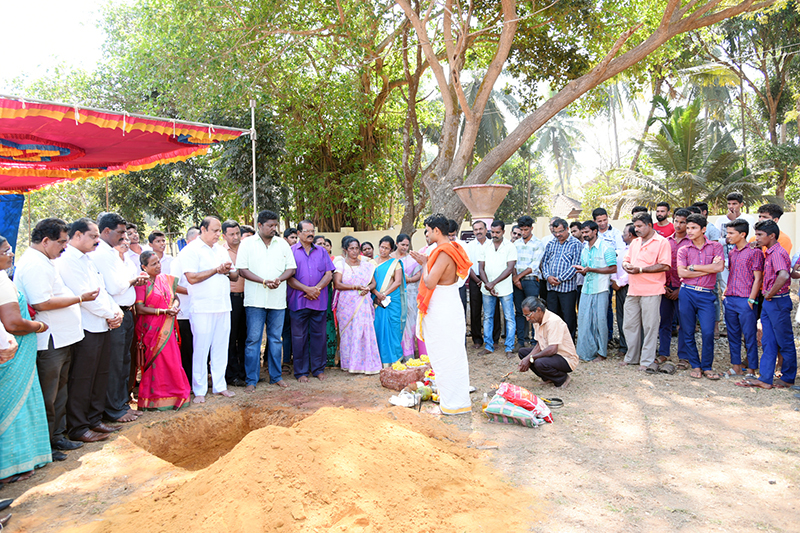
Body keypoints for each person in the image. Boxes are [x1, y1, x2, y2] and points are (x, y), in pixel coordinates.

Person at [14, 219, 94, 460]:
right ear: (46, 241)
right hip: (48, 339)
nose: (64, 247)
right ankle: (46, 444)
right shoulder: (34, 264)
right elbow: (41, 303)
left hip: (60, 338)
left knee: (59, 391)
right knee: (48, 394)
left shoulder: (45, 261)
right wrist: (78, 299)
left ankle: (58, 436)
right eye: (61, 242)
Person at [57, 218, 124, 443]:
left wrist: (116, 312)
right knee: (82, 378)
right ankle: (78, 426)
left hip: (103, 324)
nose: (97, 240)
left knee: (100, 375)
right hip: (85, 327)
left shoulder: (88, 260)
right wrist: (110, 314)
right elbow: (85, 298)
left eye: (97, 236)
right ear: (77, 235)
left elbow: (102, 291)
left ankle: (95, 419)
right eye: (93, 236)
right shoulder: (67, 261)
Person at [0, 235, 53, 482]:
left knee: (23, 402)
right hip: (13, 353)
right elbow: (12, 322)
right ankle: (14, 464)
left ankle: (24, 460)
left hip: (20, 352)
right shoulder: (1, 281)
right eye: (6, 251)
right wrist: (39, 325)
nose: (11, 254)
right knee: (14, 406)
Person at [411, 213, 472, 415]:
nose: (426, 235)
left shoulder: (444, 252)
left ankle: (453, 404)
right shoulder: (453, 248)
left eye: (427, 231)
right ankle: (454, 401)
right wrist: (428, 260)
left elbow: (429, 281)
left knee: (445, 355)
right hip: (449, 303)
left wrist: (424, 264)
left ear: (436, 230)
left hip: (443, 307)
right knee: (452, 353)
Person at [91, 213, 148, 424]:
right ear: (106, 231)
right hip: (115, 312)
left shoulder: (112, 253)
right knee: (115, 363)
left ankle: (122, 403)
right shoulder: (102, 254)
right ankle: (114, 408)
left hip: (126, 311)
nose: (126, 236)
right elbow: (115, 287)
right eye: (121, 232)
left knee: (125, 361)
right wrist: (133, 280)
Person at [237, 210, 297, 391]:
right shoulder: (247, 244)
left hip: (277, 300)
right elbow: (242, 270)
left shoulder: (282, 244)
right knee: (253, 340)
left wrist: (279, 279)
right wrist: (263, 281)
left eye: (275, 225)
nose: (274, 229)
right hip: (255, 300)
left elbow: (291, 269)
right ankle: (251, 380)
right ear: (260, 226)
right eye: (270, 225)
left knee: (275, 340)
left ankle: (276, 377)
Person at [180, 216, 238, 403]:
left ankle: (220, 386)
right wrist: (216, 270)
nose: (218, 234)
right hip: (203, 307)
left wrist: (228, 270)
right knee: (201, 348)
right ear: (203, 230)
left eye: (219, 230)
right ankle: (199, 390)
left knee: (221, 347)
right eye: (214, 230)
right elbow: (192, 278)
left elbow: (235, 275)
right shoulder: (191, 250)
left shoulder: (221, 250)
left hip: (223, 305)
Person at [737, 220, 796, 389]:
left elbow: (784, 275)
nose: (757, 238)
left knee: (784, 341)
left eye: (760, 235)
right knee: (768, 341)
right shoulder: (769, 251)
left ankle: (787, 378)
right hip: (771, 302)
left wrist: (769, 293)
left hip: (777, 301)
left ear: (772, 236)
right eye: (756, 234)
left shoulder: (777, 253)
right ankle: (765, 378)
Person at [134, 252, 190, 410]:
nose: (158, 266)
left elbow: (175, 297)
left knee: (172, 361)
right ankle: (155, 398)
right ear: (144, 267)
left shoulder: (165, 279)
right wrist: (163, 312)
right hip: (152, 330)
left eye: (158, 262)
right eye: (153, 264)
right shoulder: (141, 283)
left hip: (167, 327)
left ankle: (176, 394)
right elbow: (139, 309)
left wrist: (174, 306)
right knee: (157, 363)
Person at [620, 213, 671, 371]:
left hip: (652, 290)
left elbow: (665, 265)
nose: (637, 229)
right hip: (633, 289)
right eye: (635, 226)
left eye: (640, 226)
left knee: (650, 326)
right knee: (629, 325)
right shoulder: (635, 242)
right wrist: (626, 266)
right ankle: (632, 357)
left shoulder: (662, 242)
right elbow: (626, 260)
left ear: (650, 225)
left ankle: (647, 360)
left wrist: (641, 269)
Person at [677, 214, 725, 379]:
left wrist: (694, 267)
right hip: (687, 292)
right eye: (688, 227)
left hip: (706, 294)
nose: (689, 231)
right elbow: (681, 272)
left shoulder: (715, 247)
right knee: (687, 330)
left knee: (707, 331)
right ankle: (696, 366)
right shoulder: (684, 249)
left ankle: (707, 366)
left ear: (703, 229)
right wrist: (708, 267)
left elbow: (719, 268)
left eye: (693, 228)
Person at [287, 220, 335, 381]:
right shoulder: (291, 251)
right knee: (299, 338)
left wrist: (317, 289)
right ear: (299, 233)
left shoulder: (322, 251)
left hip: (318, 301)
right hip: (298, 301)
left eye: (312, 231)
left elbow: (329, 274)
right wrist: (307, 290)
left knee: (319, 336)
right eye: (307, 231)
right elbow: (288, 277)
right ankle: (301, 372)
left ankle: (318, 369)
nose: (311, 234)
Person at [333, 237, 381, 373]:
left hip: (363, 302)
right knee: (348, 333)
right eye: (351, 248)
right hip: (346, 304)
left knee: (364, 331)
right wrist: (355, 287)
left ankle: (365, 364)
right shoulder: (340, 264)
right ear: (345, 249)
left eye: (356, 248)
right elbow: (337, 284)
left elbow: (373, 283)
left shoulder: (366, 265)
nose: (355, 251)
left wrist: (367, 288)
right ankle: (350, 364)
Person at [723, 218, 762, 377]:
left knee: (750, 336)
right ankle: (736, 367)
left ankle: (751, 369)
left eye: (731, 233)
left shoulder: (755, 252)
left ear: (742, 234)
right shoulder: (732, 253)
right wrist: (725, 295)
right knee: (732, 335)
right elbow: (732, 274)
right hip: (730, 298)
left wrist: (751, 300)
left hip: (746, 300)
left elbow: (758, 278)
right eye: (728, 233)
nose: (728, 236)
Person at [574, 220, 617, 362]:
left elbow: (613, 268)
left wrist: (591, 269)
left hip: (601, 289)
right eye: (583, 232)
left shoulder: (606, 247)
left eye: (587, 232)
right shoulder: (584, 248)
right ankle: (586, 352)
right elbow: (586, 270)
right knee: (584, 321)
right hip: (586, 288)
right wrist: (582, 270)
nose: (584, 235)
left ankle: (602, 353)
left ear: (595, 231)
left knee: (600, 322)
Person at [517, 297, 577, 388]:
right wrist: (528, 357)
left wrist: (530, 358)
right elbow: (539, 344)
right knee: (523, 352)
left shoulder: (553, 321)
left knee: (539, 362)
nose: (527, 319)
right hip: (552, 355)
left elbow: (553, 349)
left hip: (565, 358)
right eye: (525, 316)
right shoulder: (536, 320)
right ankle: (548, 377)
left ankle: (562, 378)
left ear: (538, 310)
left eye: (528, 315)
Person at [478, 220, 517, 357]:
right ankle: (488, 346)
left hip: (505, 288)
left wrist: (492, 283)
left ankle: (509, 348)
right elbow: (481, 268)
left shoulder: (510, 246)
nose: (494, 235)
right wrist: (487, 284)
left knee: (509, 317)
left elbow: (510, 268)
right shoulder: (485, 246)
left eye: (497, 232)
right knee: (488, 317)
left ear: (503, 232)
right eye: (492, 232)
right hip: (487, 289)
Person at [658, 208, 690, 367]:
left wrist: (680, 289)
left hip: (685, 289)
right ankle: (663, 353)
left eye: (682, 222)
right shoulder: (666, 241)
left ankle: (683, 356)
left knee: (684, 323)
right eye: (676, 221)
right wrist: (664, 286)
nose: (678, 225)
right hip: (666, 287)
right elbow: (661, 264)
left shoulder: (692, 242)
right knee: (664, 322)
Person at [539, 217, 582, 338]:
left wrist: (559, 279)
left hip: (567, 289)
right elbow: (545, 262)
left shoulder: (576, 244)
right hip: (551, 288)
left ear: (567, 229)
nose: (558, 235)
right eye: (555, 232)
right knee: (553, 317)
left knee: (568, 317)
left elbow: (575, 265)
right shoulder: (551, 243)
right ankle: (554, 343)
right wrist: (547, 277)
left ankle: (568, 344)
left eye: (560, 231)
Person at [171, 226, 199, 384]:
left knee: (199, 348)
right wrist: (193, 291)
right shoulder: (178, 261)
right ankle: (187, 381)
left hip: (200, 311)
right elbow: (172, 285)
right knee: (187, 349)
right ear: (188, 242)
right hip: (185, 313)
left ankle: (198, 378)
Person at [372, 235, 406, 366]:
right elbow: (368, 281)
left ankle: (395, 359)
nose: (383, 250)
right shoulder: (371, 263)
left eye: (386, 248)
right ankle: (379, 360)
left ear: (391, 249)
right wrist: (376, 294)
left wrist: (384, 294)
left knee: (393, 327)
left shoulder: (395, 263)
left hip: (391, 300)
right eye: (381, 247)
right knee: (378, 327)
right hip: (376, 300)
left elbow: (397, 282)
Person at [466, 220, 499, 349]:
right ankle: (477, 340)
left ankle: (494, 339)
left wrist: (488, 282)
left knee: (493, 309)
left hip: (491, 279)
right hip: (475, 280)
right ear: (473, 231)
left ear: (486, 230)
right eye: (475, 229)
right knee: (475, 309)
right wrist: (479, 281)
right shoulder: (469, 246)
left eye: (481, 229)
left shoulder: (493, 244)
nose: (478, 231)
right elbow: (468, 266)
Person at [221, 220, 246, 387]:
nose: (236, 237)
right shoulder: (220, 252)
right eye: (232, 234)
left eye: (237, 233)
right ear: (224, 236)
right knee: (230, 338)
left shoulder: (247, 248)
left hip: (249, 297)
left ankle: (246, 373)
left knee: (246, 337)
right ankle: (231, 375)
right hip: (230, 298)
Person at [513, 215, 544, 349]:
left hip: (531, 280)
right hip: (517, 281)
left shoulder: (538, 244)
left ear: (531, 228)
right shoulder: (515, 244)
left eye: (526, 229)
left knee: (533, 311)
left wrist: (518, 277)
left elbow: (534, 266)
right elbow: (512, 263)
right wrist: (516, 278)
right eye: (521, 230)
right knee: (520, 311)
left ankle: (535, 341)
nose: (523, 232)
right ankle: (521, 341)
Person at [393, 233, 422, 360]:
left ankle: (409, 354)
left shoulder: (412, 259)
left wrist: (407, 280)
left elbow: (419, 275)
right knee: (397, 324)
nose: (405, 247)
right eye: (402, 244)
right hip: (394, 295)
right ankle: (396, 354)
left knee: (409, 324)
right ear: (396, 244)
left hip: (410, 295)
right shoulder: (390, 258)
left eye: (407, 245)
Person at [611, 224, 636, 359]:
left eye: (624, 233)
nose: (622, 235)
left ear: (630, 235)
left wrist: (619, 283)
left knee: (632, 319)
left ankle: (633, 347)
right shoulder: (622, 250)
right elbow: (615, 267)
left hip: (629, 286)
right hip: (619, 287)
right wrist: (613, 281)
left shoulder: (637, 250)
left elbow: (631, 269)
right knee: (620, 317)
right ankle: (623, 346)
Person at [314, 235, 337, 366]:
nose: (323, 246)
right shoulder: (311, 259)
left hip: (326, 296)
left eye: (324, 243)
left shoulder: (330, 261)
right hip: (311, 295)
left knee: (327, 324)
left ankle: (329, 358)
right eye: (319, 243)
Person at [281, 227, 298, 370]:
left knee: (295, 330)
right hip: (282, 298)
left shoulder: (298, 254)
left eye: (295, 238)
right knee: (285, 330)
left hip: (297, 297)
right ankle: (286, 360)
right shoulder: (282, 253)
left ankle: (293, 358)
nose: (294, 240)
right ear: (285, 239)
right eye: (291, 238)